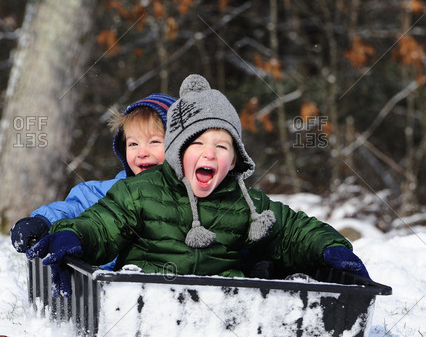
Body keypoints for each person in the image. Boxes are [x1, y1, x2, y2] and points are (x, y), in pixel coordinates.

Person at [26, 75, 369, 292]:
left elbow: (292, 229)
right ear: (179, 153)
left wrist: (330, 247)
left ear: (235, 160)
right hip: (148, 296)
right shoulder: (135, 193)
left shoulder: (244, 202)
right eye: (197, 146)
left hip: (224, 308)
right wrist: (72, 233)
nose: (209, 155)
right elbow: (100, 221)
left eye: (221, 147)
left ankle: (287, 283)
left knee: (267, 255)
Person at [12, 93, 176, 291]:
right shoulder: (115, 190)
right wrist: (43, 221)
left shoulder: (188, 197)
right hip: (108, 290)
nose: (142, 152)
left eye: (154, 142)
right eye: (133, 144)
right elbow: (78, 207)